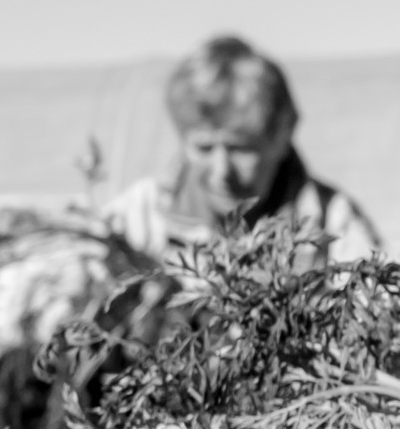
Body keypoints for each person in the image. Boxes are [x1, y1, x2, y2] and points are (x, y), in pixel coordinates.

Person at [104, 35, 380, 267]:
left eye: (240, 149)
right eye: (204, 147)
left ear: (282, 137)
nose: (221, 170)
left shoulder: (333, 221)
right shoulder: (137, 216)